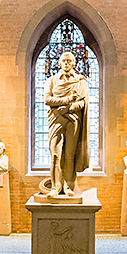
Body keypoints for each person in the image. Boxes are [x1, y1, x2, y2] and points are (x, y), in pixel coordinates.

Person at [41, 51, 89, 197]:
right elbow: (48, 100)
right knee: (55, 154)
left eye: (69, 61)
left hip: (73, 121)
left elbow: (83, 102)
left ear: (74, 63)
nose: (67, 63)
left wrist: (69, 108)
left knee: (69, 154)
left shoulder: (81, 81)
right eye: (64, 61)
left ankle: (68, 186)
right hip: (56, 120)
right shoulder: (52, 80)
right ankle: (55, 187)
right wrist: (67, 100)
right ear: (59, 63)